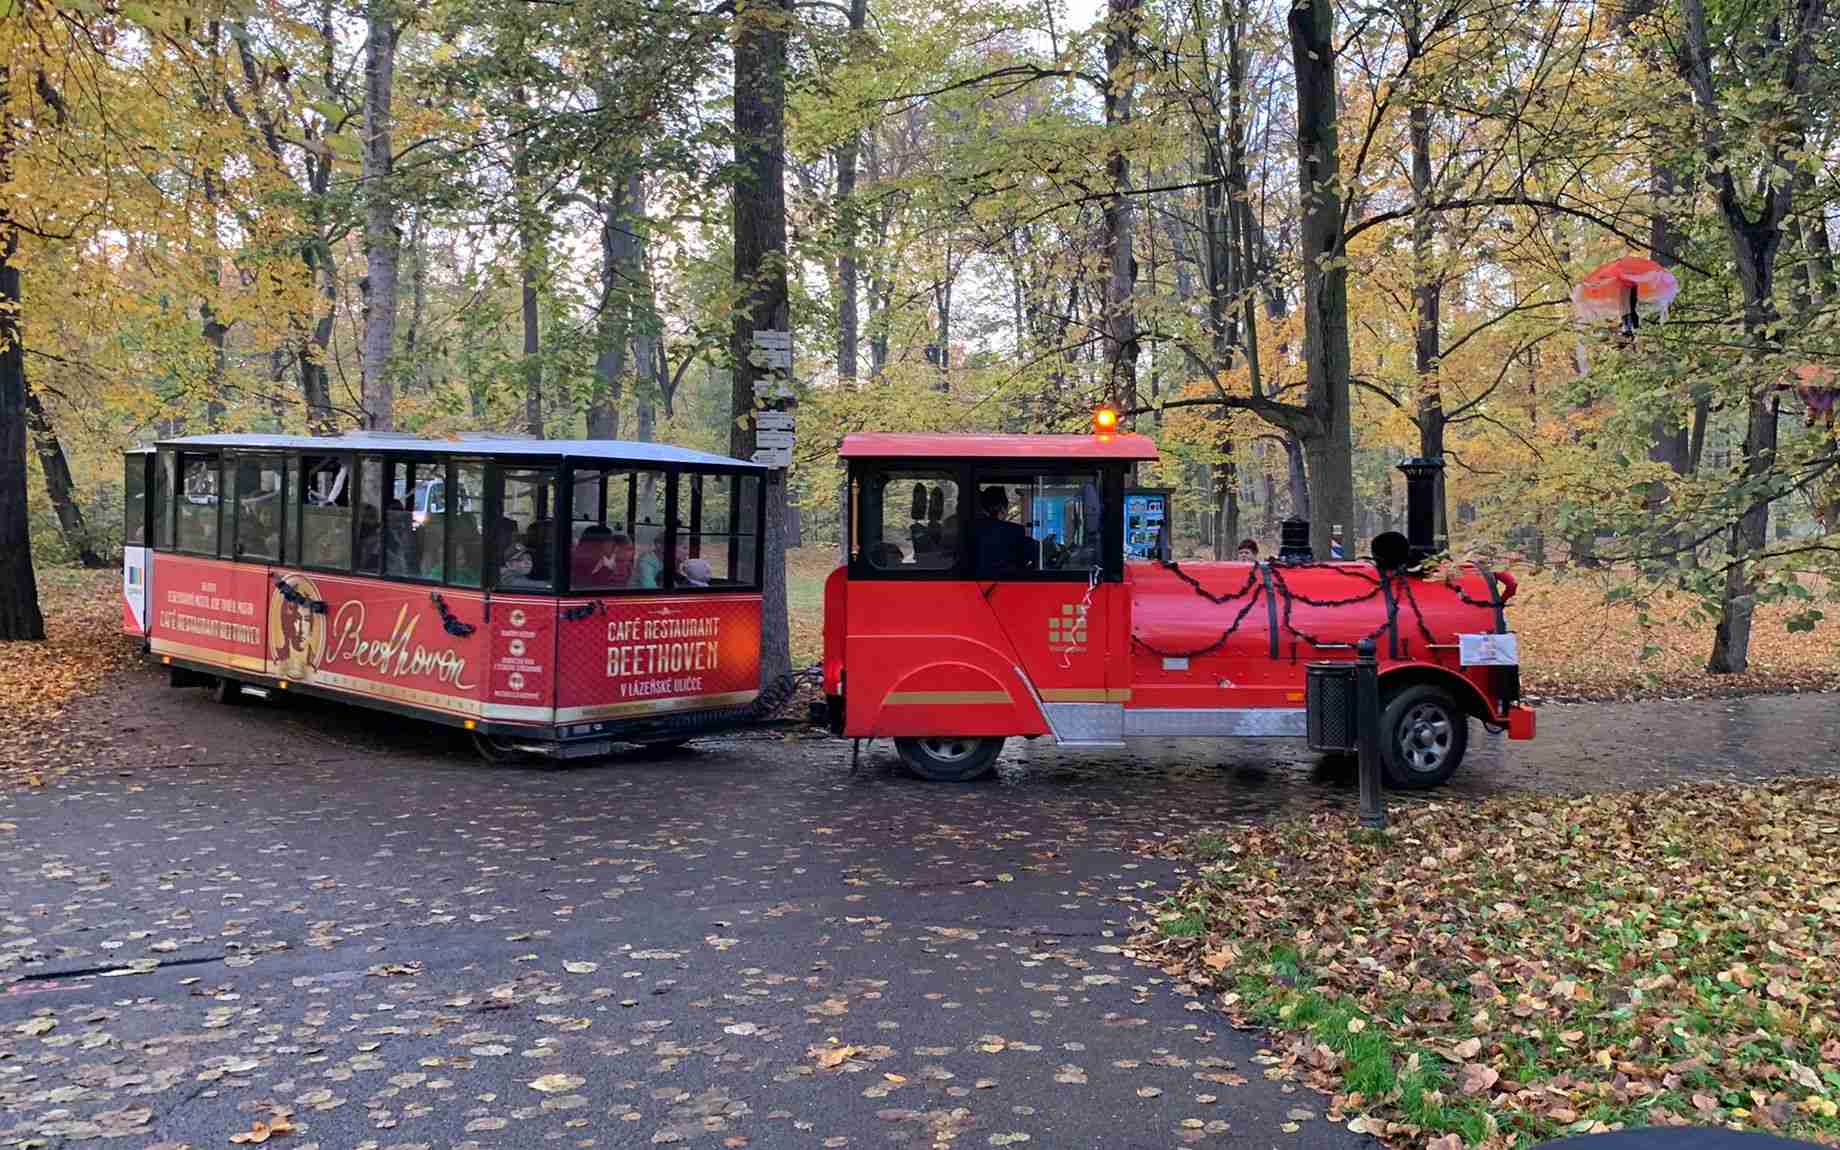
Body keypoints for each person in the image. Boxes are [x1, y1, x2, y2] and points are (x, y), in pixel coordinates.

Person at [973, 486, 1033, 576]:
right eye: (1007, 506)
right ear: (1002, 508)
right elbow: (1023, 562)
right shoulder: (1014, 531)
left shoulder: (972, 527)